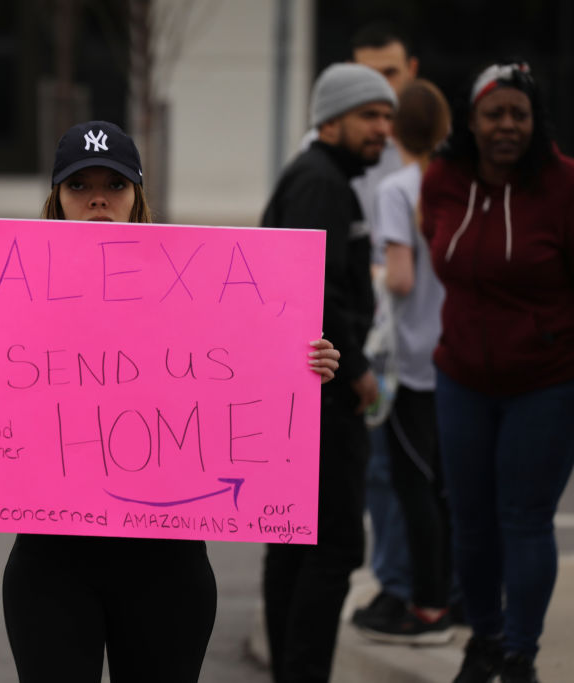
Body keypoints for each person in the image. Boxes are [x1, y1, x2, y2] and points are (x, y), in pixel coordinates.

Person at [0, 120, 341, 683]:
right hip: (52, 565)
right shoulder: (6, 299)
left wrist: (301, 369)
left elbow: (250, 360)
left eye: (113, 186)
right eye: (79, 187)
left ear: (137, 198)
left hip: (167, 567)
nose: (97, 201)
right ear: (55, 200)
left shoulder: (196, 288)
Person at [421, 61, 574, 683]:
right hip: (461, 375)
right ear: (472, 121)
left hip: (546, 380)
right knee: (470, 518)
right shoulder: (443, 179)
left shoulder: (564, 187)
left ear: (535, 122)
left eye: (519, 113)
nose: (507, 125)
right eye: (495, 113)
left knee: (525, 518)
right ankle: (483, 638)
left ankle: (519, 652)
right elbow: (440, 252)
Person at [260, 63, 396, 683]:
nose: (383, 130)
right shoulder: (319, 182)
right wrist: (358, 370)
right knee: (331, 545)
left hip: (310, 392)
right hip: (319, 396)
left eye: (389, 117)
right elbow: (312, 290)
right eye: (371, 116)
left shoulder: (326, 179)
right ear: (331, 120)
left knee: (297, 543)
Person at [354, 79, 454, 645]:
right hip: (458, 358)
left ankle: (426, 608)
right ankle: (452, 598)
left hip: (410, 362)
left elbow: (399, 277)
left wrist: (368, 277)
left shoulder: (399, 188)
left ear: (396, 131)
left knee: (413, 487)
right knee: (450, 488)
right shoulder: (458, 185)